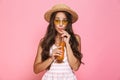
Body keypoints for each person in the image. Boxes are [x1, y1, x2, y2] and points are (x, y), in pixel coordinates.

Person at [33, 4, 83, 80]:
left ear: (68, 22)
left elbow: (75, 67)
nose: (60, 24)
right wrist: (51, 58)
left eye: (64, 20)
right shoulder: (44, 41)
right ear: (53, 22)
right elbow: (36, 69)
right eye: (57, 20)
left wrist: (67, 44)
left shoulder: (76, 38)